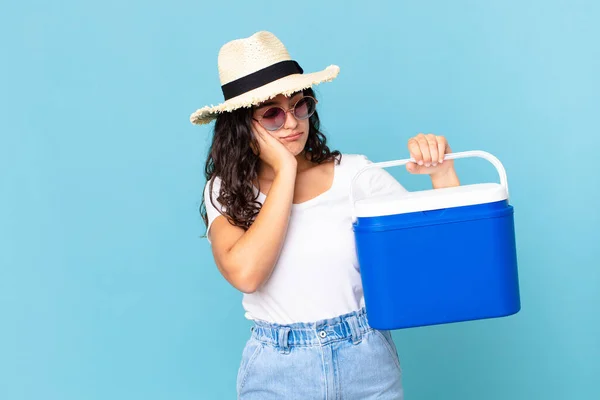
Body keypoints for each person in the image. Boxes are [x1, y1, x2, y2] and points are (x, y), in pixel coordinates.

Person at [190, 31, 460, 400]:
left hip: (365, 362)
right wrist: (286, 170)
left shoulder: (355, 175)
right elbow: (247, 274)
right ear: (241, 124)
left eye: (300, 105)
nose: (292, 122)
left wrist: (442, 173)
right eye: (272, 113)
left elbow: (440, 251)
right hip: (277, 370)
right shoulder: (226, 189)